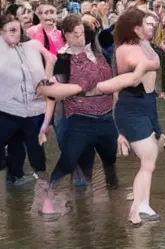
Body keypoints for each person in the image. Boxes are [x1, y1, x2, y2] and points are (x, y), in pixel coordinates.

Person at [37, 14, 119, 219]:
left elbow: (114, 79)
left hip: (106, 117)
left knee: (110, 158)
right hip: (80, 119)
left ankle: (112, 200)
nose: (80, 38)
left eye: (82, 33)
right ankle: (50, 198)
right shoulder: (64, 59)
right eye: (75, 35)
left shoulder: (99, 51)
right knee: (68, 159)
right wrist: (45, 124)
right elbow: (52, 93)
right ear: (65, 35)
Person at [95, 8, 162, 226]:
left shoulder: (142, 45)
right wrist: (148, 64)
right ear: (135, 27)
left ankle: (144, 204)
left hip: (145, 104)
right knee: (148, 157)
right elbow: (142, 68)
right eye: (147, 23)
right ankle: (136, 210)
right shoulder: (126, 48)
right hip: (132, 106)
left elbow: (152, 64)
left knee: (149, 159)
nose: (150, 27)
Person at [0, 14, 56, 186]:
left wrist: (46, 80)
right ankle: (8, 169)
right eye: (11, 30)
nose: (16, 33)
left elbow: (52, 58)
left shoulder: (32, 45)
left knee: (35, 150)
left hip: (34, 109)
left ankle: (31, 182)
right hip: (7, 108)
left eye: (18, 30)